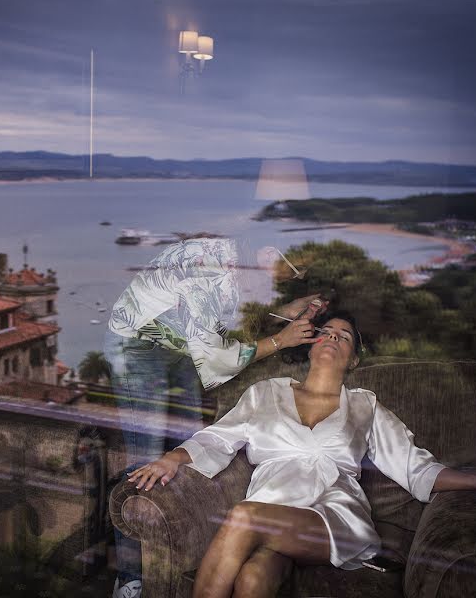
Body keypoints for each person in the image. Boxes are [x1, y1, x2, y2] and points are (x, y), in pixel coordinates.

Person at [128, 311, 476, 598]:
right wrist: (173, 458)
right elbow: (217, 439)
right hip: (270, 512)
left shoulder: (365, 406)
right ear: (311, 345)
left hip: (331, 517)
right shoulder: (265, 393)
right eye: (325, 332)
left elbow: (414, 466)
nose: (332, 337)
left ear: (354, 358)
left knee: (243, 517)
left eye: (343, 336)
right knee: (252, 579)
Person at [106, 237, 325, 598]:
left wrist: (291, 309)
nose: (281, 282)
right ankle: (131, 578)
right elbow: (215, 359)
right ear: (268, 251)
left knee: (192, 449)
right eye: (286, 273)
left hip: (177, 349)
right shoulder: (207, 270)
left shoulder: (236, 265)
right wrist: (281, 341)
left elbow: (232, 323)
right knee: (144, 460)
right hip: (138, 349)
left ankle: (186, 553)